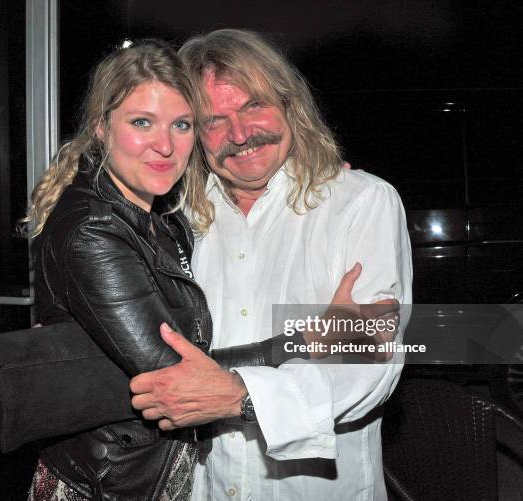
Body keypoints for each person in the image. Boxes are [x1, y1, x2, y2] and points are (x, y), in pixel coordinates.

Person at [20, 39, 383, 501]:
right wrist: (306, 338)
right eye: (141, 122)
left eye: (183, 124)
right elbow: (176, 376)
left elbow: (380, 359)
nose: (165, 144)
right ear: (100, 129)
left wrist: (331, 185)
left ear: (290, 107)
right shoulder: (94, 230)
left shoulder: (174, 217)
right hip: (115, 481)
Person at [129, 29, 413, 501]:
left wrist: (237, 395)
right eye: (213, 120)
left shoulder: (360, 203)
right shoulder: (180, 221)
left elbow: (370, 363)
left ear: (290, 105)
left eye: (253, 106)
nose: (239, 135)